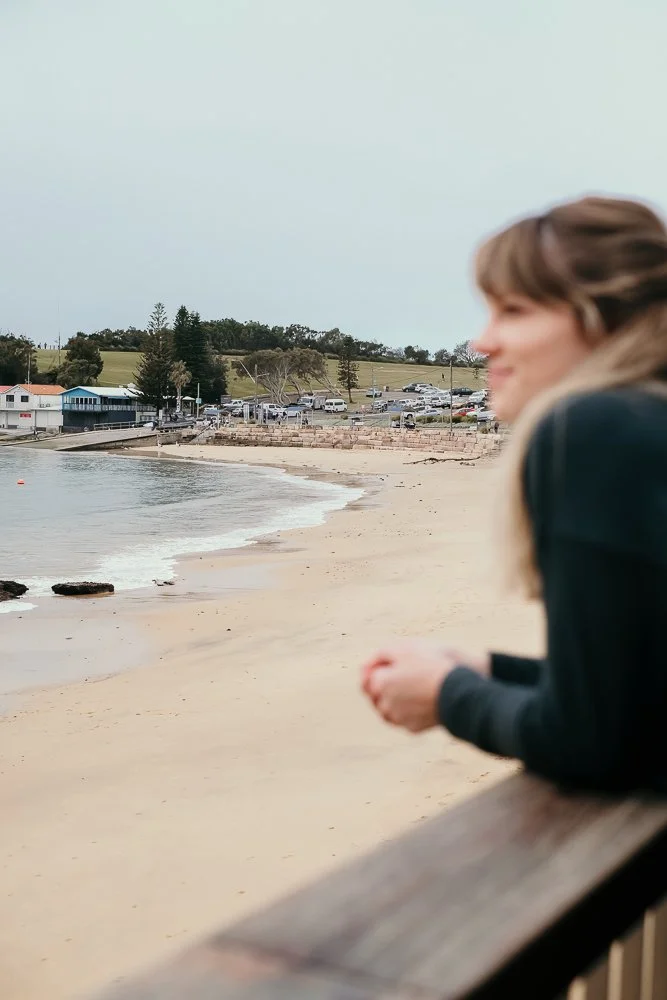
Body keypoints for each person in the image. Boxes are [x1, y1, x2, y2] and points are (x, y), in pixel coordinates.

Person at [361, 196, 667, 792]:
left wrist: (447, 696)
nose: (482, 342)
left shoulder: (595, 430)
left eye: (514, 310)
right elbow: (636, 692)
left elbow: (591, 740)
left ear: (605, 320)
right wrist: (490, 671)